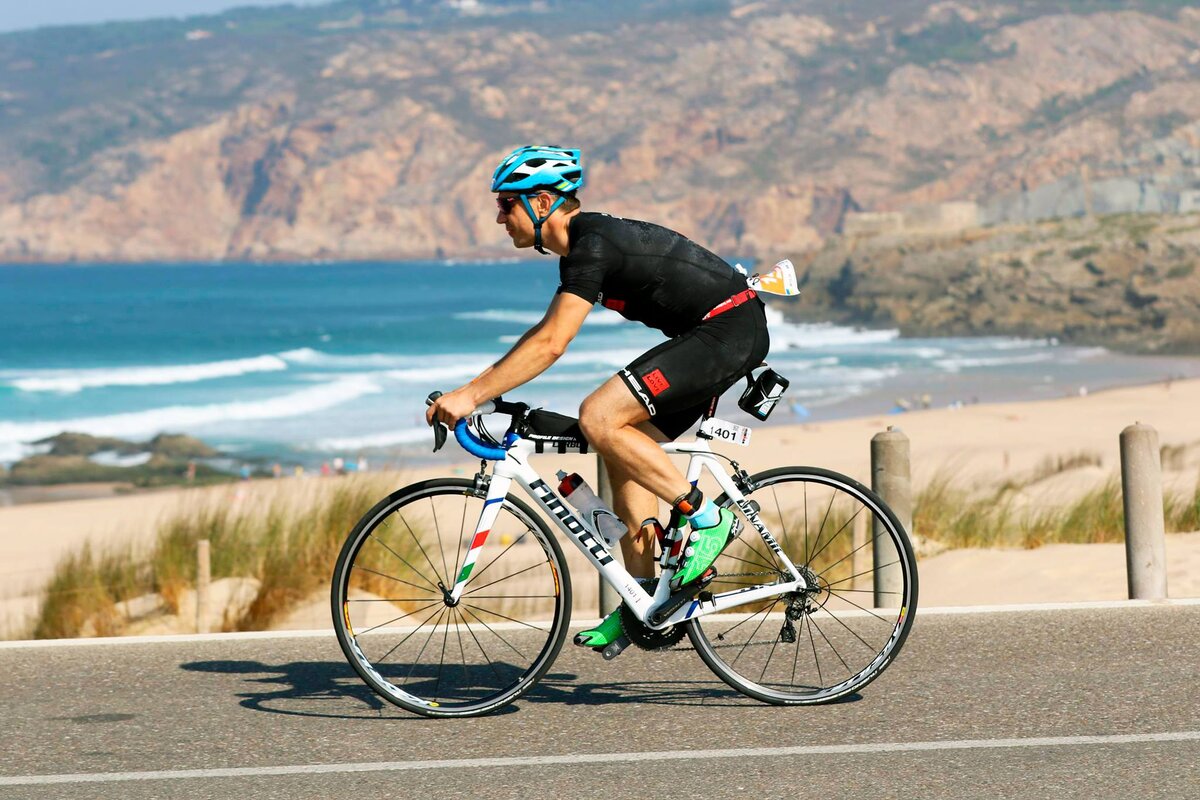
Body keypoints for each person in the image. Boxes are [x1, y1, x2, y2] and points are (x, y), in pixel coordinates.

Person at [426, 145, 770, 651]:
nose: (499, 217)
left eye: (506, 204)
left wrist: (470, 395)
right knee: (620, 448)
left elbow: (552, 344)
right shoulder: (582, 251)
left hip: (728, 330)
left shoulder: (593, 245)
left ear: (542, 203)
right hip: (713, 334)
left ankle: (707, 518)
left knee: (599, 416)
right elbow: (542, 332)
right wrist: (475, 391)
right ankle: (646, 603)